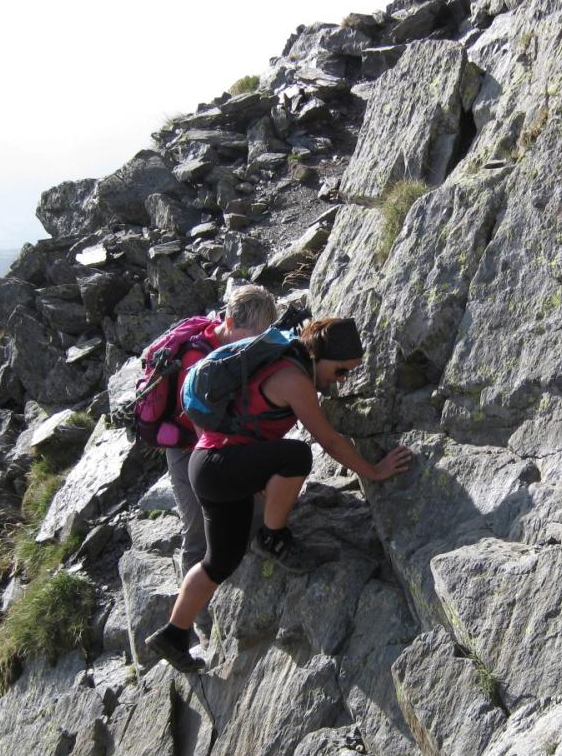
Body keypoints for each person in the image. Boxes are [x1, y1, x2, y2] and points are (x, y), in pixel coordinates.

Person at [145, 316, 413, 672]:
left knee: (220, 561)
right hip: (219, 466)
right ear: (321, 357)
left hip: (209, 465)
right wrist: (374, 471)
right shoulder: (293, 378)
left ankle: (172, 635)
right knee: (296, 455)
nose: (340, 382)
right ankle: (273, 537)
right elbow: (328, 440)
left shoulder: (285, 355)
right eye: (340, 371)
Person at [166, 284, 278, 576]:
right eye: (251, 337)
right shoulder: (196, 362)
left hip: (225, 437)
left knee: (253, 516)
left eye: (261, 338)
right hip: (188, 448)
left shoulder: (236, 346)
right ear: (228, 323)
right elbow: (204, 436)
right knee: (198, 533)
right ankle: (195, 616)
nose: (253, 346)